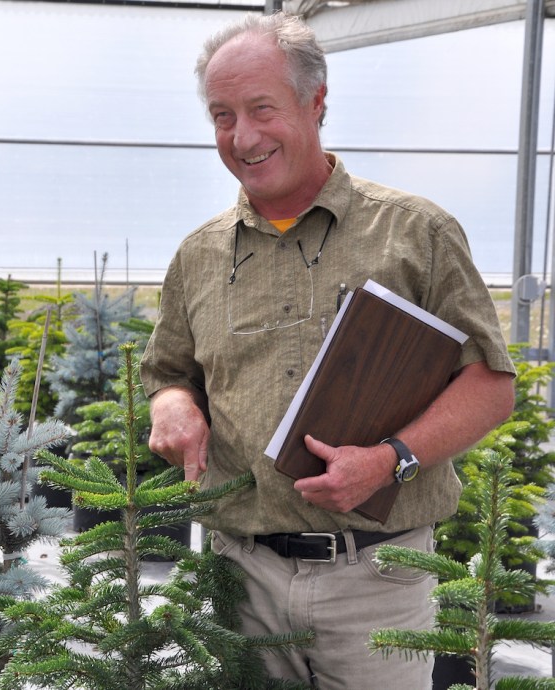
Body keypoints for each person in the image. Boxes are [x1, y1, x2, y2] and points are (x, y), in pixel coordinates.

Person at [140, 11, 516, 689]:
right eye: (222, 116)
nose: (242, 137)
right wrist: (172, 407)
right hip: (240, 577)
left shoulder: (415, 232)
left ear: (316, 103)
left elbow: (491, 384)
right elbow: (169, 373)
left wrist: (390, 461)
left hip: (379, 578)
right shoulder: (199, 254)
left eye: (262, 109)